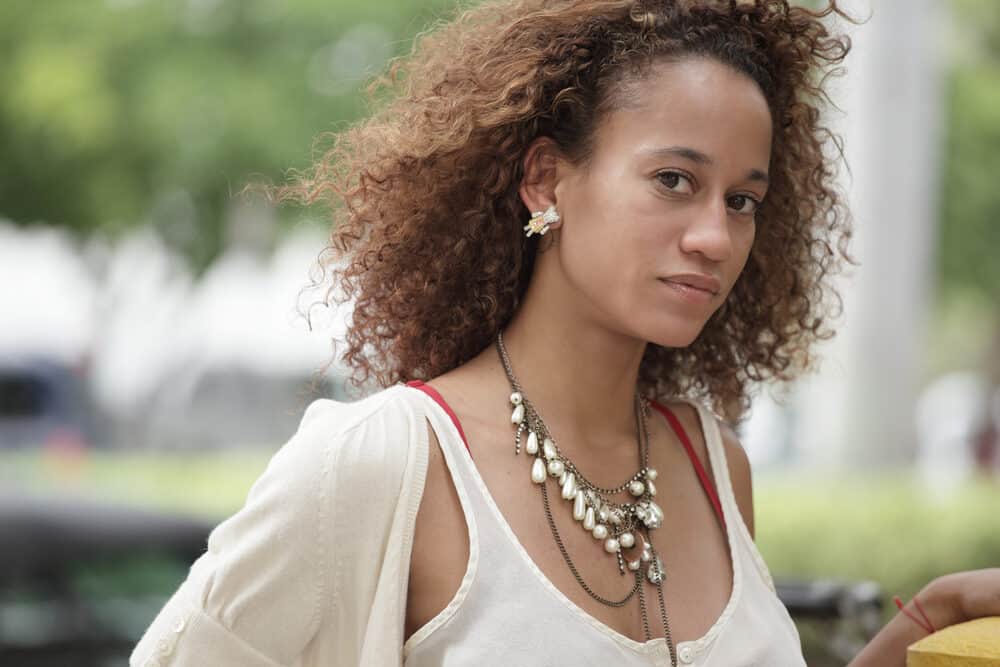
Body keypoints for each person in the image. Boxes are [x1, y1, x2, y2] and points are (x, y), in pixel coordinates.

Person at [131, 1, 1000, 666]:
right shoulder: (386, 461)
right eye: (673, 180)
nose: (715, 235)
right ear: (546, 179)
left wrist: (921, 630)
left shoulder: (713, 464)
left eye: (743, 200)